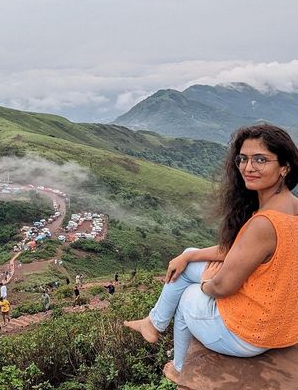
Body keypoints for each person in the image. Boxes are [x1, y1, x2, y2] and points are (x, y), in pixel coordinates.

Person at [124, 124, 298, 384]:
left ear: (284, 167)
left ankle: (180, 368)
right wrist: (189, 257)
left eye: (261, 159)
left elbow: (223, 286)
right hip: (280, 323)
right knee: (189, 254)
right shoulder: (291, 207)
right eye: (243, 158)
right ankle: (154, 322)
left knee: (187, 294)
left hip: (250, 334)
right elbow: (241, 251)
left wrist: (205, 284)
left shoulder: (264, 223)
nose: (248, 167)